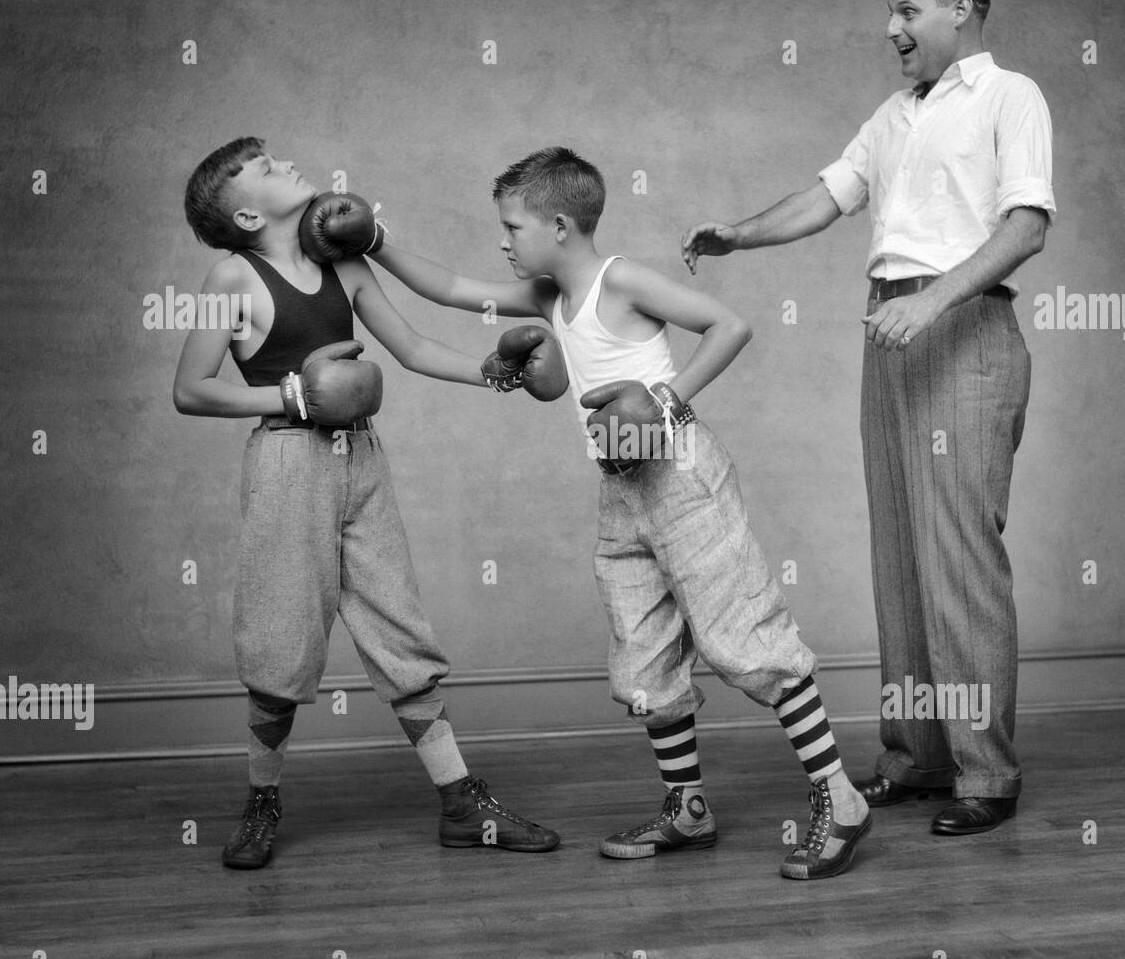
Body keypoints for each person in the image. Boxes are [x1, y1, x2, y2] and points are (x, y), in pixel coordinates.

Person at [368, 147, 872, 880]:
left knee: (744, 636)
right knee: (643, 655)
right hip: (619, 489)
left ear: (562, 225)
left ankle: (840, 796)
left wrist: (666, 401)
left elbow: (729, 325)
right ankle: (688, 808)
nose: (502, 240)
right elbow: (447, 288)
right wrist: (375, 244)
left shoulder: (622, 279)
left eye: (513, 225)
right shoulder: (546, 297)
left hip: (680, 474)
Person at [681, 0, 1055, 835]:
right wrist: (739, 233)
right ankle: (918, 755)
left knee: (959, 554)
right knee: (901, 554)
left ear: (960, 9)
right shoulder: (894, 114)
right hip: (887, 333)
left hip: (961, 327)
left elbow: (1028, 225)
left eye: (909, 11)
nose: (892, 28)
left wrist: (931, 299)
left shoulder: (1012, 96)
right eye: (891, 11)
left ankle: (985, 775)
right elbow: (826, 195)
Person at [173, 137, 561, 869]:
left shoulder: (341, 262)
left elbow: (411, 347)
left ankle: (459, 800)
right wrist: (289, 392)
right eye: (263, 168)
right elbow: (190, 389)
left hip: (362, 457)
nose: (283, 163)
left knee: (399, 624)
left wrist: (493, 373)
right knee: (281, 640)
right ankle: (261, 798)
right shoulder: (231, 275)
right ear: (249, 214)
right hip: (288, 460)